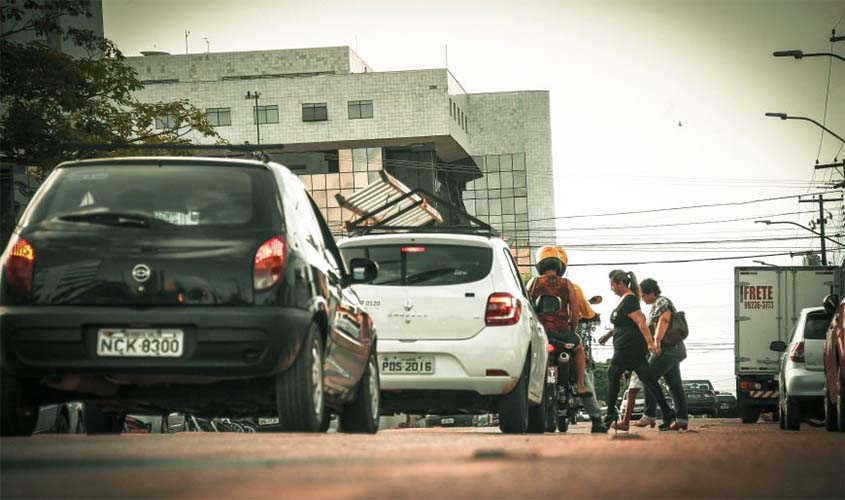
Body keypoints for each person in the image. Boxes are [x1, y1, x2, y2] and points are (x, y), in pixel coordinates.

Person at [600, 269, 676, 431]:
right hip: (629, 347)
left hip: (629, 348)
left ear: (620, 283)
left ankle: (610, 416)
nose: (611, 288)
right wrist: (608, 335)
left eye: (612, 285)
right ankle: (669, 414)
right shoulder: (625, 300)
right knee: (649, 380)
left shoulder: (630, 300)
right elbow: (623, 323)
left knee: (613, 374)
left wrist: (650, 343)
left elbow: (641, 321)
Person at [526, 246, 589, 397]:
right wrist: (572, 329)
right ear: (558, 266)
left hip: (540, 333)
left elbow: (526, 308)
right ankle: (580, 385)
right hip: (562, 331)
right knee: (579, 347)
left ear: (540, 265)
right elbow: (575, 311)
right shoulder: (567, 284)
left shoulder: (533, 283)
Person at [635, 278, 690, 432]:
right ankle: (681, 420)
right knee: (675, 385)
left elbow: (664, 320)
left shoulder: (661, 302)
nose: (642, 298)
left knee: (647, 376)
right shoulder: (656, 304)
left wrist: (657, 341)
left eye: (643, 295)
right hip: (675, 351)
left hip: (667, 349)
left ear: (651, 293)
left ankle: (650, 414)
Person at [570, 280, 607, 433]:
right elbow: (583, 314)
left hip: (541, 337)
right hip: (566, 337)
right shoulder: (571, 287)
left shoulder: (533, 284)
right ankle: (597, 420)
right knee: (583, 376)